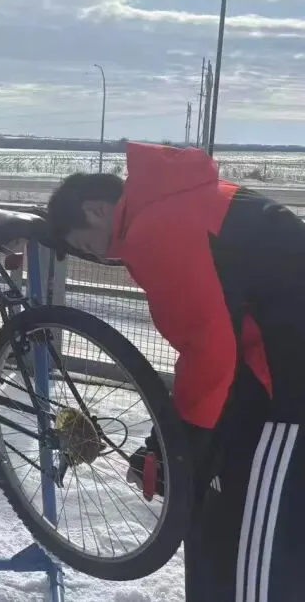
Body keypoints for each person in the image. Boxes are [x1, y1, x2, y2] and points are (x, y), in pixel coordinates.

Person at [46, 141, 305, 600]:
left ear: (95, 209)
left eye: (86, 244)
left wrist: (177, 444)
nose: (99, 256)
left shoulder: (154, 230)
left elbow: (208, 350)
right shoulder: (186, 197)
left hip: (287, 391)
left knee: (258, 549)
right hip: (267, 366)